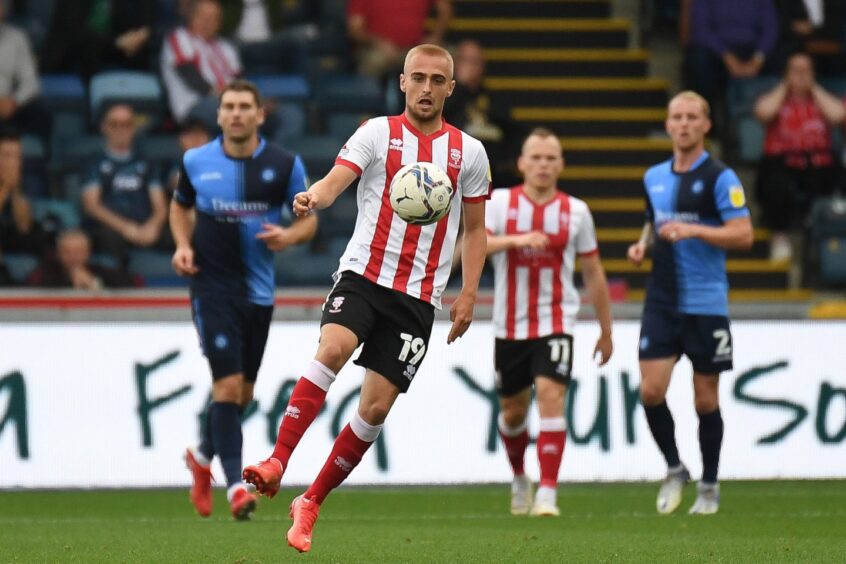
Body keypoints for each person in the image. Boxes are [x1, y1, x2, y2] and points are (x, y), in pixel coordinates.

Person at [242, 43, 490, 553]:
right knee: (332, 348)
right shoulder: (378, 132)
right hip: (364, 275)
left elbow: (476, 229)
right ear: (402, 82)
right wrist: (314, 197)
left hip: (419, 298)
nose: (425, 88)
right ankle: (277, 460)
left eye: (436, 80)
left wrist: (468, 293)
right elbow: (336, 183)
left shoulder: (470, 153)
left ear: (450, 87)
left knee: (374, 409)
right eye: (416, 78)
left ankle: (310, 501)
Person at [172, 79, 317, 521]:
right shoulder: (196, 161)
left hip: (258, 293)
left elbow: (309, 222)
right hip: (212, 289)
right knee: (229, 387)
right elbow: (180, 206)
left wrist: (290, 235)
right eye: (228, 107)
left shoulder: (283, 164)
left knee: (244, 395)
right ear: (219, 116)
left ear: (259, 114)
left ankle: (201, 458)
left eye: (243, 107)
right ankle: (235, 486)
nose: (235, 114)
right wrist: (181, 244)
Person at [627, 91, 753, 516]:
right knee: (650, 390)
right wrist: (642, 245)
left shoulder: (721, 177)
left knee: (705, 400)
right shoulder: (653, 177)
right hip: (662, 300)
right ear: (667, 125)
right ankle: (675, 467)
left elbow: (743, 234)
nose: (683, 124)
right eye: (676, 117)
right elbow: (653, 220)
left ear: (706, 125)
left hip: (705, 301)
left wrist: (696, 231)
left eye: (691, 117)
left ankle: (710, 484)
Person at [486, 128, 613, 517]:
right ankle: (520, 477)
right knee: (512, 412)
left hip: (556, 321)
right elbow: (475, 245)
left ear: (561, 164)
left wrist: (606, 330)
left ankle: (549, 492)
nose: (542, 164)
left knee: (551, 396)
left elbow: (593, 272)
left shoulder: (576, 211)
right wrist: (516, 240)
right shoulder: (499, 203)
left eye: (550, 158)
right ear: (522, 163)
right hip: (509, 326)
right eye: (535, 157)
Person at [753, 52, 844, 262]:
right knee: (775, 181)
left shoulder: (821, 98)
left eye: (806, 70)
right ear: (786, 73)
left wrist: (813, 88)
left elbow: (838, 116)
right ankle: (780, 237)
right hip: (783, 164)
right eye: (796, 69)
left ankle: (828, 240)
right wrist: (786, 86)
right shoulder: (774, 96)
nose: (801, 75)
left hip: (819, 164)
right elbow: (764, 113)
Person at [81, 104, 167, 268]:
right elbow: (92, 206)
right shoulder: (94, 163)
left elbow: (160, 206)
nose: (121, 129)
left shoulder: (146, 162)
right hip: (111, 228)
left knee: (185, 234)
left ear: (133, 128)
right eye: (114, 124)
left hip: (145, 226)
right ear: (104, 127)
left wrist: (152, 226)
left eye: (126, 124)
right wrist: (126, 228)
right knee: (108, 239)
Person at [444, 39, 521, 187]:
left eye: (475, 61)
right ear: (454, 64)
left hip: (493, 171)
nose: (470, 67)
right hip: (454, 167)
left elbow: (514, 130)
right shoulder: (444, 98)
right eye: (466, 60)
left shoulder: (494, 99)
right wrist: (460, 85)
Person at [683, 0, 778, 115]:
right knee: (698, 58)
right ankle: (706, 119)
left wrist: (758, 59)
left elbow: (770, 29)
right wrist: (727, 57)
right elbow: (701, 30)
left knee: (782, 57)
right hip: (717, 52)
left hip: (753, 52)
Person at [161, 0, 242, 129]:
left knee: (281, 115)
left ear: (219, 23)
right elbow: (193, 79)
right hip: (194, 106)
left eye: (212, 18)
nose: (207, 22)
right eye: (202, 17)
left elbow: (239, 81)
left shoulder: (226, 47)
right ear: (191, 17)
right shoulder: (178, 38)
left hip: (228, 102)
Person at [41, 0, 154, 78]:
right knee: (88, 46)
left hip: (111, 42)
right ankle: (99, 103)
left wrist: (142, 33)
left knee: (140, 47)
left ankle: (137, 102)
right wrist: (117, 41)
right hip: (73, 49)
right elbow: (75, 31)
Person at [347, 0, 452, 80]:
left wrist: (435, 37)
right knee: (373, 62)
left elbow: (445, 9)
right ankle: (367, 106)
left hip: (416, 47)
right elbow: (355, 29)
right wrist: (378, 43)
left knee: (448, 61)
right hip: (378, 49)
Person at [0, 3, 51, 144]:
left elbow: (31, 82)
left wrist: (15, 101)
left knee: (39, 111)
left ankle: (40, 161)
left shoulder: (17, 38)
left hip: (8, 104)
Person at [27, 228, 137, 289]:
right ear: (58, 253)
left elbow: (130, 288)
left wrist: (94, 284)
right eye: (67, 252)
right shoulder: (45, 274)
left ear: (88, 253)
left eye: (79, 252)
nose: (73, 257)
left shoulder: (104, 272)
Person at [0, 132, 44, 257]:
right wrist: (6, 188)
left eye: (17, 156)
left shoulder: (18, 182)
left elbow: (24, 227)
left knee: (38, 238)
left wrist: (15, 190)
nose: (13, 162)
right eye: (6, 155)